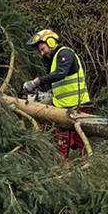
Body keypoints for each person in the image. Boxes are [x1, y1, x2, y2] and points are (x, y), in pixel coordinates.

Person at [23, 28, 91, 157]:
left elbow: (60, 74)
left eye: (43, 49)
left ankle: (86, 165)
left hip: (77, 105)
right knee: (60, 139)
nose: (42, 54)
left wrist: (36, 82)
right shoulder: (55, 59)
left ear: (51, 42)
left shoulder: (65, 54)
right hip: (64, 105)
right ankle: (63, 166)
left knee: (79, 140)